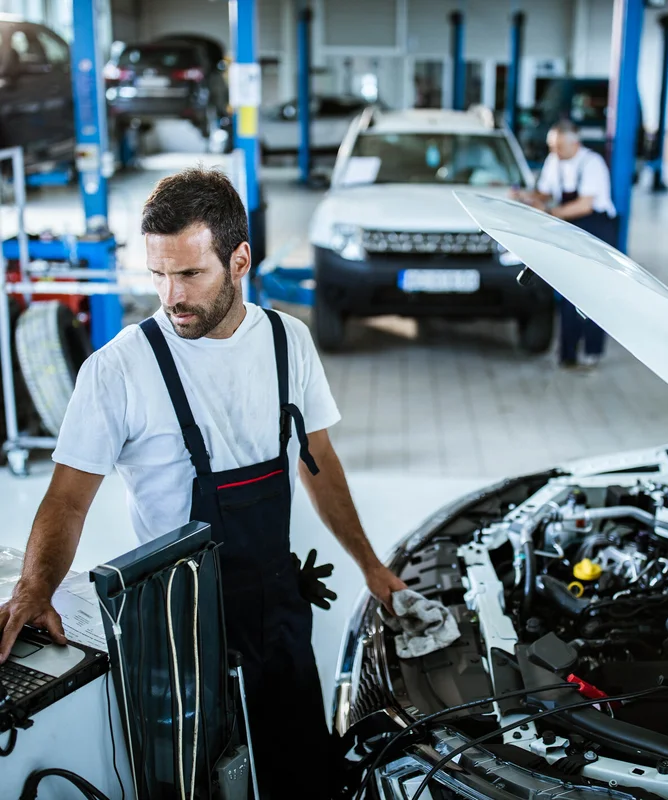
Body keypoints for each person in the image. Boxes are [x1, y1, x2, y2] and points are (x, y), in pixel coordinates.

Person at [0, 168, 406, 799]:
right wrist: (34, 587)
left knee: (302, 767)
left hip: (279, 610)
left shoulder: (286, 342)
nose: (170, 296)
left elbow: (318, 461)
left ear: (239, 259)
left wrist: (372, 567)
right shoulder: (119, 370)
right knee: (204, 783)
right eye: (158, 274)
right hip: (176, 631)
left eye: (190, 274)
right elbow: (68, 498)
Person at [512, 120, 618, 368]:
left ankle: (592, 351)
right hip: (569, 228)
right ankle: (567, 354)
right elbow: (546, 192)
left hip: (596, 229)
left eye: (559, 146)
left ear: (575, 143)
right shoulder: (554, 161)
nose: (554, 152)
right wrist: (524, 196)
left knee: (593, 293)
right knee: (570, 289)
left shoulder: (592, 164)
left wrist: (550, 212)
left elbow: (585, 205)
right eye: (552, 147)